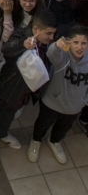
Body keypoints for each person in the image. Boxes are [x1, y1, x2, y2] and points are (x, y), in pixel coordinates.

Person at [0, 9, 57, 177]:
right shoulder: (22, 34)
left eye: (54, 34)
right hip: (7, 93)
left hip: (23, 95)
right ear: (36, 30)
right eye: (49, 34)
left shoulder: (46, 43)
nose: (52, 38)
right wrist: (22, 44)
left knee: (7, 120)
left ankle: (4, 132)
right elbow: (7, 49)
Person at [28, 25, 88, 164]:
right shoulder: (62, 56)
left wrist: (84, 101)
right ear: (69, 42)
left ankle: (54, 141)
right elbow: (51, 54)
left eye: (84, 43)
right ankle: (36, 141)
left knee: (63, 128)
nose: (80, 47)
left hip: (74, 108)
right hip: (52, 103)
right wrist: (57, 45)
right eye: (76, 42)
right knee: (42, 125)